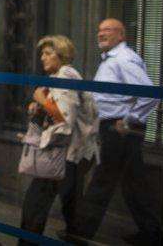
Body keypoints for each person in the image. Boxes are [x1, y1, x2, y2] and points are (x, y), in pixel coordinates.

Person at [65, 18, 163, 245]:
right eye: (99, 30)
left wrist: (129, 121)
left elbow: (150, 93)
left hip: (119, 130)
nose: (101, 34)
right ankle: (152, 235)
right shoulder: (111, 59)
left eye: (108, 30)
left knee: (102, 180)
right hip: (114, 128)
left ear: (122, 35)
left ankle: (80, 233)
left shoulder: (124, 59)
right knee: (133, 183)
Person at [19, 35, 99, 245]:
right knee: (70, 205)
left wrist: (42, 100)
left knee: (35, 204)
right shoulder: (62, 76)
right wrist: (41, 106)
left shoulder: (65, 76)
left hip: (64, 154)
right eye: (41, 53)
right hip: (73, 154)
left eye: (48, 53)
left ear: (61, 55)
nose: (42, 57)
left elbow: (65, 122)